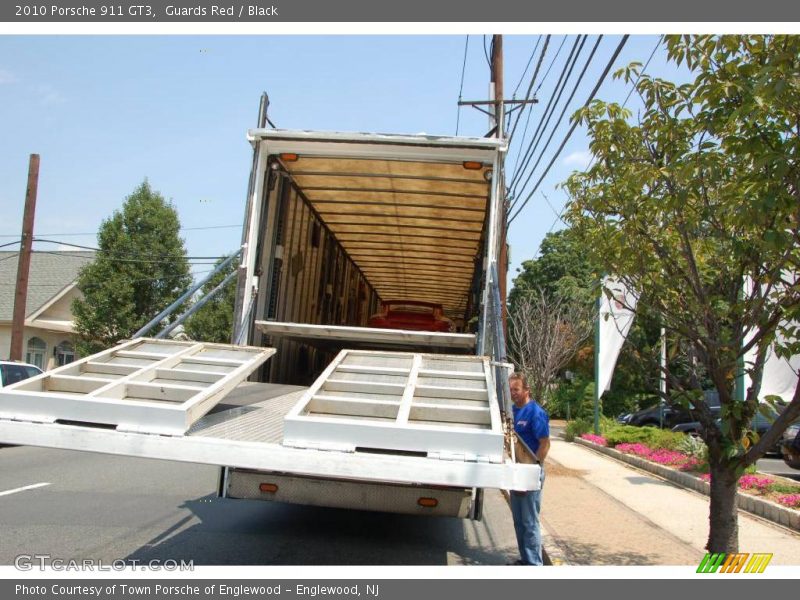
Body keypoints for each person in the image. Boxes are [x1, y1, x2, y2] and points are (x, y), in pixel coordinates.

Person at [508, 372, 550, 566]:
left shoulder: (535, 412)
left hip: (530, 472)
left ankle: (534, 564)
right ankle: (525, 559)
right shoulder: (511, 411)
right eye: (510, 390)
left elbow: (545, 444)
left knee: (529, 522)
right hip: (515, 472)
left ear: (526, 390)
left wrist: (534, 468)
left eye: (516, 389)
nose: (513, 393)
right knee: (518, 520)